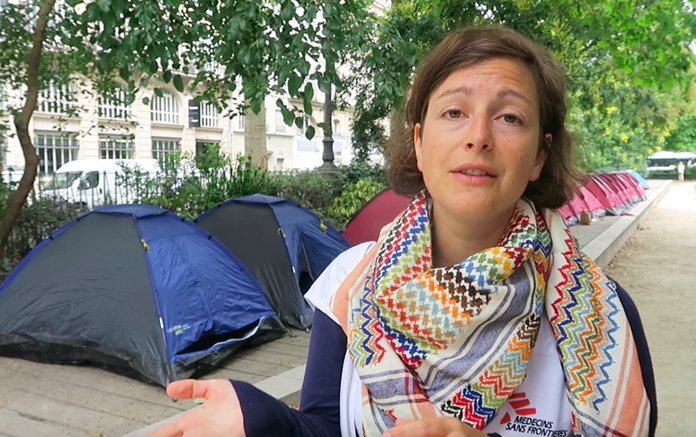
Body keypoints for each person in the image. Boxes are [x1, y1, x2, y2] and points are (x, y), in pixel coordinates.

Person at [145, 26, 655, 437]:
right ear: (419, 142)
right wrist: (264, 420)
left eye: (508, 117)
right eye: (454, 112)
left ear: (539, 155)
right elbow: (324, 427)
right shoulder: (350, 283)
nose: (478, 136)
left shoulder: (603, 316)